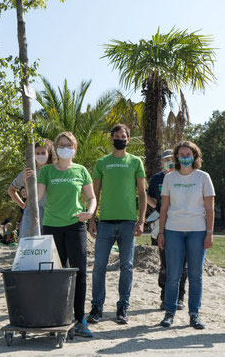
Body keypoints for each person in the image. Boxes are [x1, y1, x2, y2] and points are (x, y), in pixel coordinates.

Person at [33, 131, 97, 338]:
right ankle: (57, 317)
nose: (64, 148)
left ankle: (80, 319)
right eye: (60, 145)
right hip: (51, 226)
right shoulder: (47, 172)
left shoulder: (81, 171)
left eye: (68, 145)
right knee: (55, 273)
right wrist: (29, 184)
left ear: (74, 149)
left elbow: (91, 197)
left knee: (79, 273)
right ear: (55, 149)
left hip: (76, 226)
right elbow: (37, 196)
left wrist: (90, 212)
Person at [87, 124, 147, 325]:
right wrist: (92, 219)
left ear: (128, 139)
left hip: (128, 223)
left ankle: (123, 307)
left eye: (124, 136)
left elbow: (142, 192)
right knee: (99, 267)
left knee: (127, 266)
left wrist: (141, 220)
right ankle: (97, 307)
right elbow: (94, 193)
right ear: (111, 138)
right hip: (104, 223)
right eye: (117, 136)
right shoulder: (102, 162)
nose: (120, 138)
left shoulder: (135, 161)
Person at [157, 140, 215, 330]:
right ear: (176, 157)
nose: (184, 157)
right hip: (173, 230)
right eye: (181, 154)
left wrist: (209, 233)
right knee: (173, 275)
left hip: (197, 231)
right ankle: (169, 313)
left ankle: (194, 314)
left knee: (195, 275)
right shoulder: (169, 178)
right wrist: (161, 232)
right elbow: (164, 208)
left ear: (195, 156)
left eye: (188, 154)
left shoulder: (203, 177)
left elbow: (210, 208)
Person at [148, 149, 188, 310]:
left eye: (172, 158)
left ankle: (180, 297)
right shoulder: (157, 178)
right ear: (162, 161)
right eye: (166, 159)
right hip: (162, 224)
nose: (169, 161)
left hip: (183, 223)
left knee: (182, 265)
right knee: (165, 264)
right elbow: (151, 199)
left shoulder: (184, 176)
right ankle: (165, 297)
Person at [8, 139, 56, 237]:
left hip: (52, 214)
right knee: (28, 247)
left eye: (43, 152)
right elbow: (11, 190)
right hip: (31, 213)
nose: (40, 155)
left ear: (49, 153)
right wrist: (22, 205)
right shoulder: (28, 172)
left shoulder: (55, 171)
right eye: (37, 153)